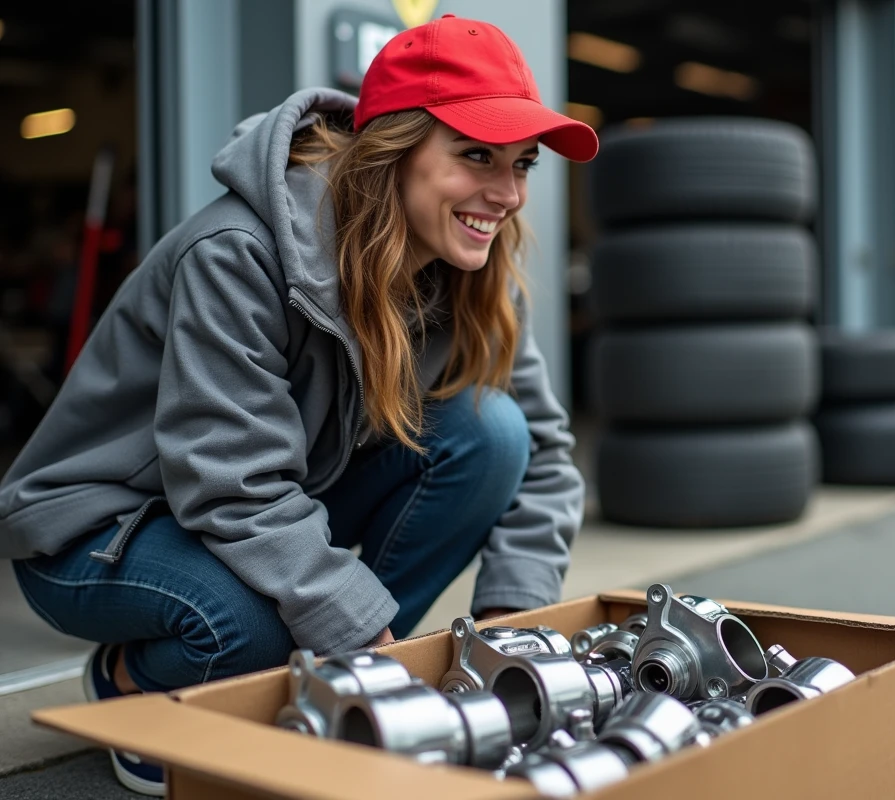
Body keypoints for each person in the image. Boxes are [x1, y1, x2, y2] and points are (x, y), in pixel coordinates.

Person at [0, 16, 596, 795]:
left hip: (238, 513)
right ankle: (131, 679)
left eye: (522, 165)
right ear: (395, 148)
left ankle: (328, 674)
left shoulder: (468, 268)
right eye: (476, 155)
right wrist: (372, 644)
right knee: (246, 628)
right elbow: (236, 484)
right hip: (98, 529)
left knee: (491, 434)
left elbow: (545, 459)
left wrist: (511, 642)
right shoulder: (240, 253)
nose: (508, 194)